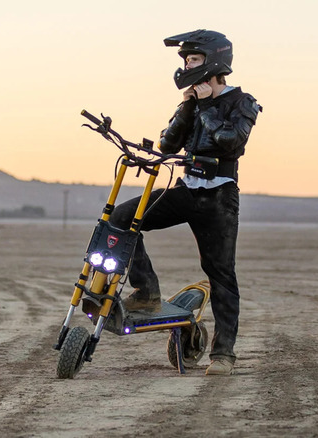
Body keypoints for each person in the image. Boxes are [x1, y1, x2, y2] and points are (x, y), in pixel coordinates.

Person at [109, 29, 262, 376]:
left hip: (219, 198)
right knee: (122, 218)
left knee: (220, 274)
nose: (187, 66)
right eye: (186, 60)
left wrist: (207, 104)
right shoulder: (192, 102)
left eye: (193, 59)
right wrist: (189, 104)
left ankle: (222, 355)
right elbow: (167, 145)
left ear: (213, 60)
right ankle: (146, 290)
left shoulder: (243, 102)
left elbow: (229, 142)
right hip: (185, 190)